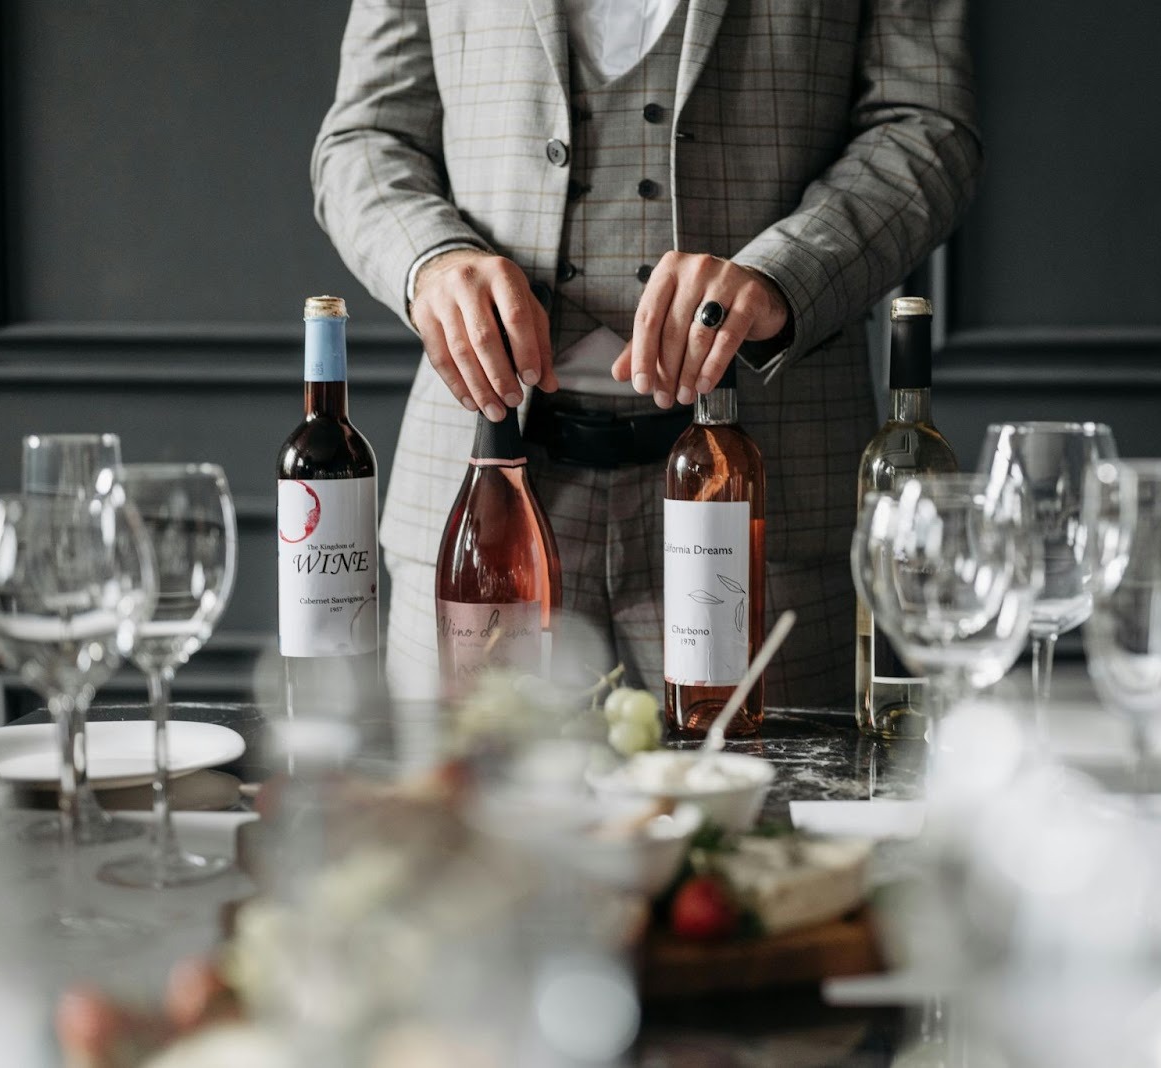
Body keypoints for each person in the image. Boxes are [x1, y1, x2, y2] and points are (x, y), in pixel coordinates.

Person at [312, 0, 981, 705]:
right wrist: (432, 259)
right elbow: (365, 137)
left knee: (771, 778)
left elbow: (926, 125)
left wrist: (785, 274)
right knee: (467, 778)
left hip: (767, 492)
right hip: (479, 493)